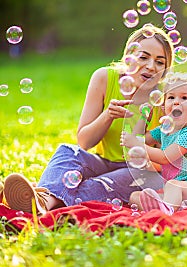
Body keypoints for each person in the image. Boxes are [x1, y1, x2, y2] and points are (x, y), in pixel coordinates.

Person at [2, 24, 175, 214]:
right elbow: (84, 142)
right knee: (67, 151)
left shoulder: (167, 96)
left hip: (139, 172)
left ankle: (42, 199)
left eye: (160, 62)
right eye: (143, 57)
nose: (151, 67)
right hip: (103, 162)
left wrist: (143, 152)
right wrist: (108, 115)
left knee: (99, 184)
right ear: (129, 56)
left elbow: (168, 161)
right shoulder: (105, 78)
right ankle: (42, 200)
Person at [121, 72, 187, 215]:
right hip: (176, 191)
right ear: (164, 105)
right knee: (135, 197)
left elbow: (164, 157)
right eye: (171, 97)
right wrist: (144, 117)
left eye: (184, 98)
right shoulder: (163, 130)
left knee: (173, 186)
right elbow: (139, 139)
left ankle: (166, 212)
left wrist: (137, 143)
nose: (176, 102)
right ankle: (167, 207)